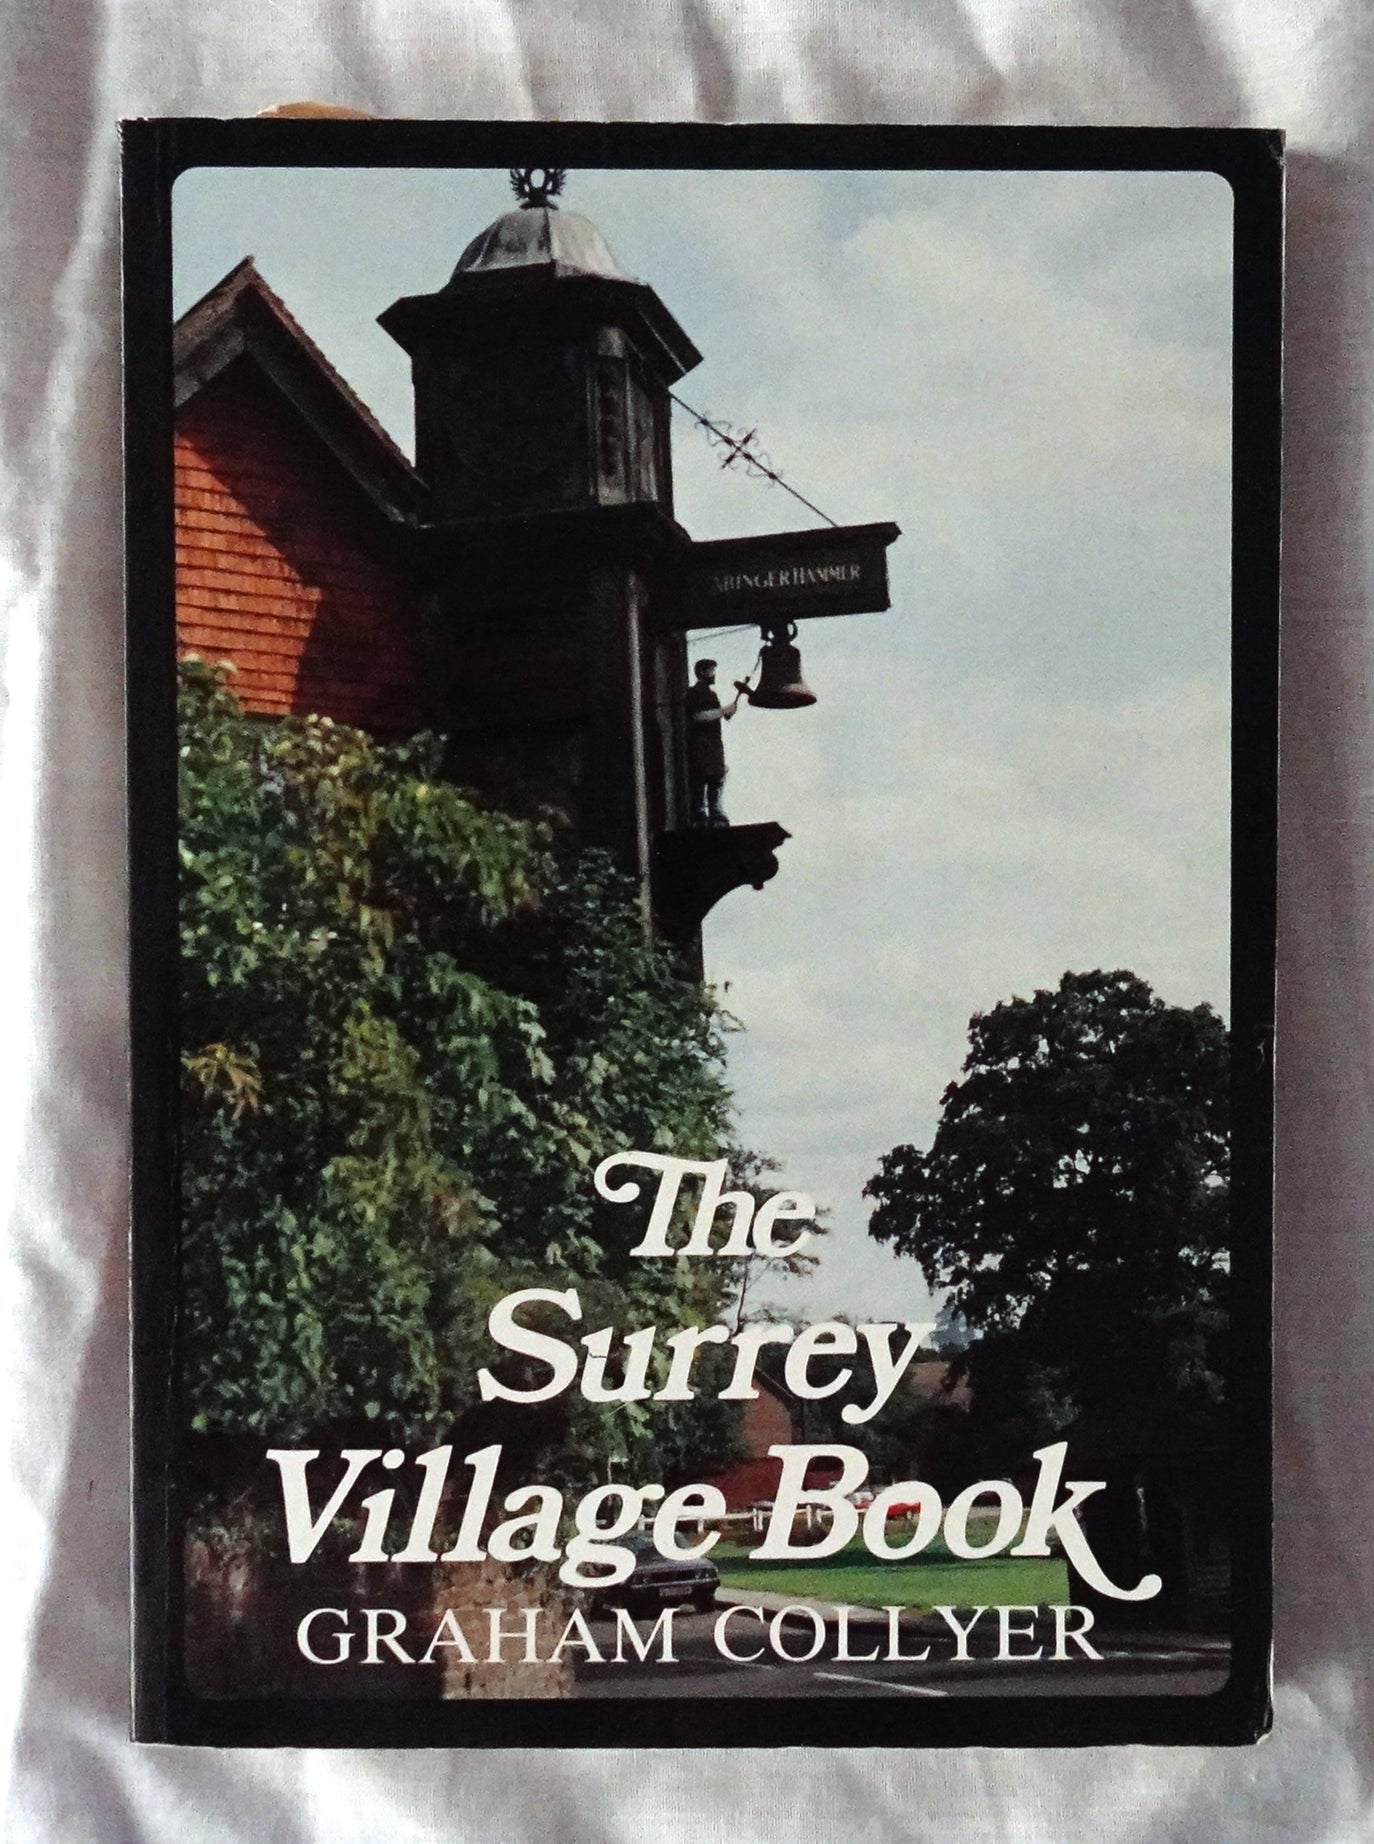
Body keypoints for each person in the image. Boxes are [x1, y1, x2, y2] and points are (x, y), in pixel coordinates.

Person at [683, 657, 743, 827]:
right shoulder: (695, 693)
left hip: (713, 746)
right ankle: (700, 813)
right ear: (702, 672)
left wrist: (727, 711)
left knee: (716, 777)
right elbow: (699, 716)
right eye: (711, 670)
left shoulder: (711, 694)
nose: (714, 674)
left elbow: (715, 714)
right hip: (702, 745)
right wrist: (723, 711)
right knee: (702, 778)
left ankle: (715, 812)